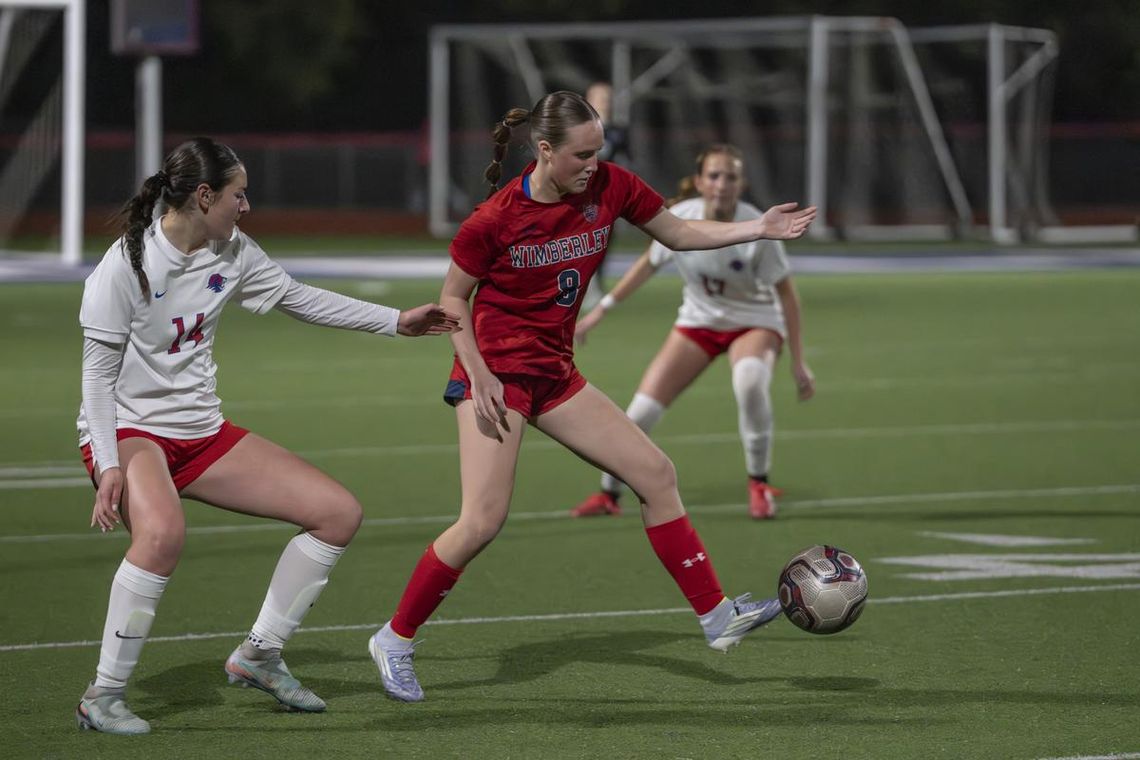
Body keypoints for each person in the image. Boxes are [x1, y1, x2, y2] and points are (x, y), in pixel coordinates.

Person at [365, 91, 816, 703]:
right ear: (545, 150)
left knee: (655, 473)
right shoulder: (495, 218)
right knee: (482, 520)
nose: (593, 165)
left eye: (599, 151)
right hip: (495, 373)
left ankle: (716, 616)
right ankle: (394, 639)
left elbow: (679, 232)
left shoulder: (611, 186)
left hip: (555, 373)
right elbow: (452, 301)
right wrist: (477, 372)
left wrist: (756, 227)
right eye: (581, 154)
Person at [74, 137, 459, 735]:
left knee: (336, 513)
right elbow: (96, 383)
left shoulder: (232, 250)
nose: (246, 206)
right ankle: (104, 695)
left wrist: (395, 323)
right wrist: (108, 465)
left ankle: (258, 655)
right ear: (204, 196)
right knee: (162, 537)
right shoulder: (123, 269)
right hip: (129, 431)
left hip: (202, 433)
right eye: (237, 194)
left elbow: (298, 299)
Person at [571, 144, 815, 521]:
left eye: (731, 176)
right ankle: (608, 494)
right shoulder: (681, 219)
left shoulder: (759, 225)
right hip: (698, 322)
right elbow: (646, 266)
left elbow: (788, 295)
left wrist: (799, 362)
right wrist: (599, 312)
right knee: (640, 412)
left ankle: (759, 483)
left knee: (750, 381)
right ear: (700, 182)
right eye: (714, 175)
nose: (722, 184)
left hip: (754, 321)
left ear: (741, 183)